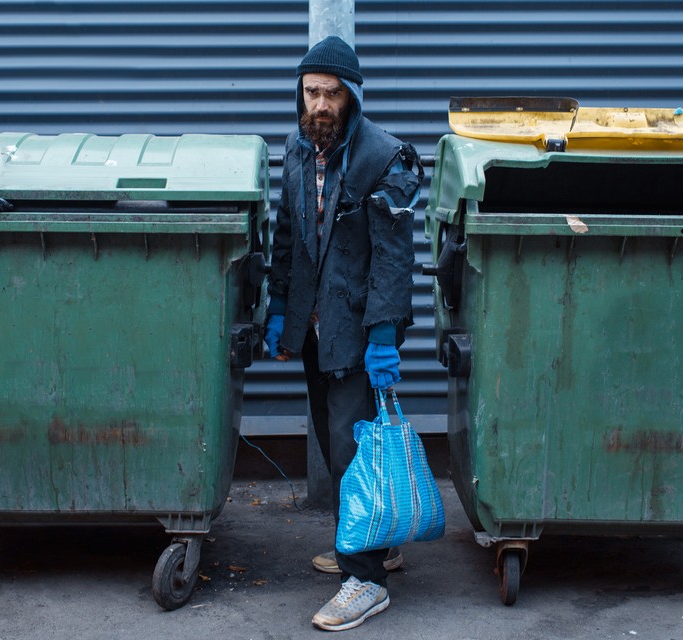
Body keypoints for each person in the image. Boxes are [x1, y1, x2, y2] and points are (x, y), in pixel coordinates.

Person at [263, 35, 421, 631]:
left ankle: (366, 579)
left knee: (354, 453)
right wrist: (280, 308)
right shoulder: (297, 147)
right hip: (313, 329)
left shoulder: (384, 157)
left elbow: (393, 259)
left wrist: (383, 336)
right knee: (337, 449)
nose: (321, 105)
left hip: (357, 331)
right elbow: (287, 233)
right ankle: (375, 541)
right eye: (311, 93)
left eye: (332, 94)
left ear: (352, 96)